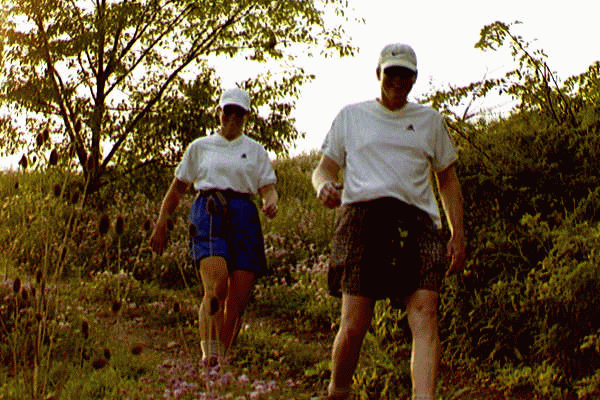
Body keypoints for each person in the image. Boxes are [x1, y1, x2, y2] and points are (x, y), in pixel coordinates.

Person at [312, 43, 465, 400]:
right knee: (355, 321)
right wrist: (323, 189)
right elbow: (324, 170)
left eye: (405, 74)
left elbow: (448, 178)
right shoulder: (352, 116)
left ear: (414, 77)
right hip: (363, 218)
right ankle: (339, 389)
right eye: (391, 73)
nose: (398, 80)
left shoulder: (430, 121)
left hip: (419, 221)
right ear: (378, 74)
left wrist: (457, 233)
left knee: (426, 313)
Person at [150, 87, 278, 364]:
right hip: (208, 211)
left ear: (246, 116)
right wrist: (162, 221)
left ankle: (222, 359)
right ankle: (209, 355)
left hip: (245, 214)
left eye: (239, 113)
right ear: (218, 112)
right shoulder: (200, 147)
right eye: (227, 111)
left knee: (239, 297)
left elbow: (268, 187)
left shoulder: (255, 151)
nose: (232, 117)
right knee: (216, 285)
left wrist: (270, 202)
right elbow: (177, 189)